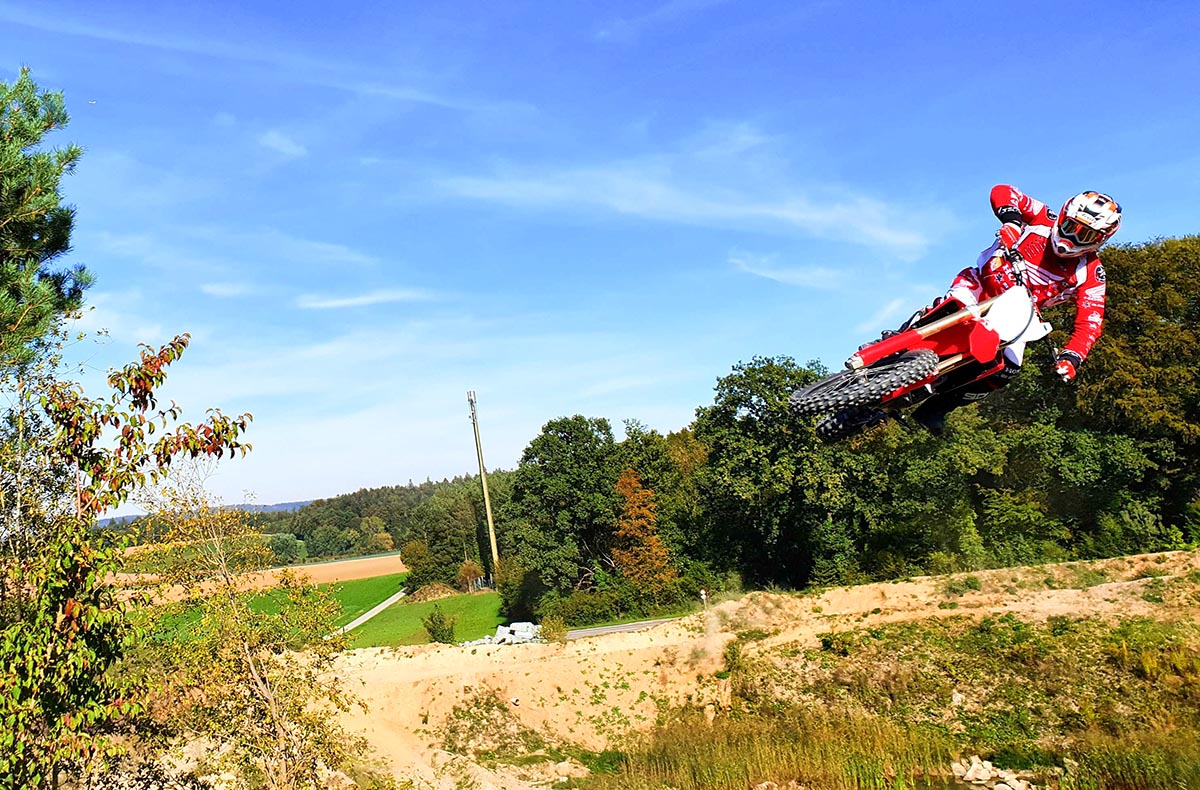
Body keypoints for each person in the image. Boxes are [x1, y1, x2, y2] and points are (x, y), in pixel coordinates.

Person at [909, 185, 1122, 434]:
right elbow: (1003, 191)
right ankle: (903, 336)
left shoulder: (1092, 273)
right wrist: (1012, 221)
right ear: (1063, 215)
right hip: (980, 285)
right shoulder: (1043, 218)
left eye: (1084, 235)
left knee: (1006, 369)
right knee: (951, 310)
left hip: (1017, 313)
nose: (1072, 238)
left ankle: (935, 409)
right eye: (1069, 226)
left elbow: (1090, 322)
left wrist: (1072, 356)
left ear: (1099, 240)